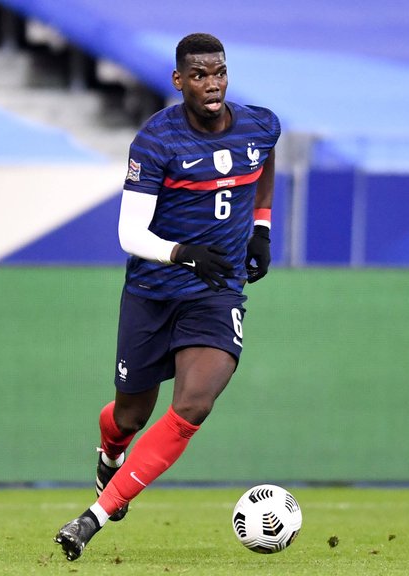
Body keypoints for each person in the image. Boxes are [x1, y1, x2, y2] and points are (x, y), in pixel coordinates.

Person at [54, 32, 280, 561]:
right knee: (129, 417)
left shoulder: (260, 124)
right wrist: (183, 253)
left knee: (194, 404)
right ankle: (109, 454)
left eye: (219, 72)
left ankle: (93, 517)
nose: (212, 84)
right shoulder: (157, 142)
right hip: (153, 293)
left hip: (217, 292)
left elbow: (265, 157)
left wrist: (262, 227)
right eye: (199, 75)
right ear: (179, 82)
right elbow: (129, 234)